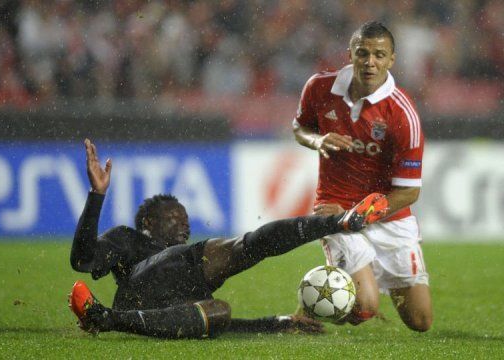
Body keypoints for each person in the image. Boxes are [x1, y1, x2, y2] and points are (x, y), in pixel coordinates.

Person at [68, 138, 383, 339]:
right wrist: (97, 196)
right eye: (175, 218)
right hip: (136, 293)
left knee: (219, 312)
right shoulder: (128, 238)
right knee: (242, 246)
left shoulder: (185, 265)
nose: (184, 226)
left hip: (159, 311)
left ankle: (107, 319)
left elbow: (188, 317)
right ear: (149, 221)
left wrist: (278, 323)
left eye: (187, 220)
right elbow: (83, 261)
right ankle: (337, 222)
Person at [293, 21, 432, 332]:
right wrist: (318, 140)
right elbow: (299, 127)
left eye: (380, 55)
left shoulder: (402, 113)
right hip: (335, 206)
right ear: (351, 54)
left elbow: (408, 192)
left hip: (388, 215)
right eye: (363, 53)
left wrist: (358, 215)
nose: (371, 62)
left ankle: (324, 294)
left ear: (392, 59)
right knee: (365, 306)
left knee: (420, 322)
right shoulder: (319, 87)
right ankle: (313, 303)